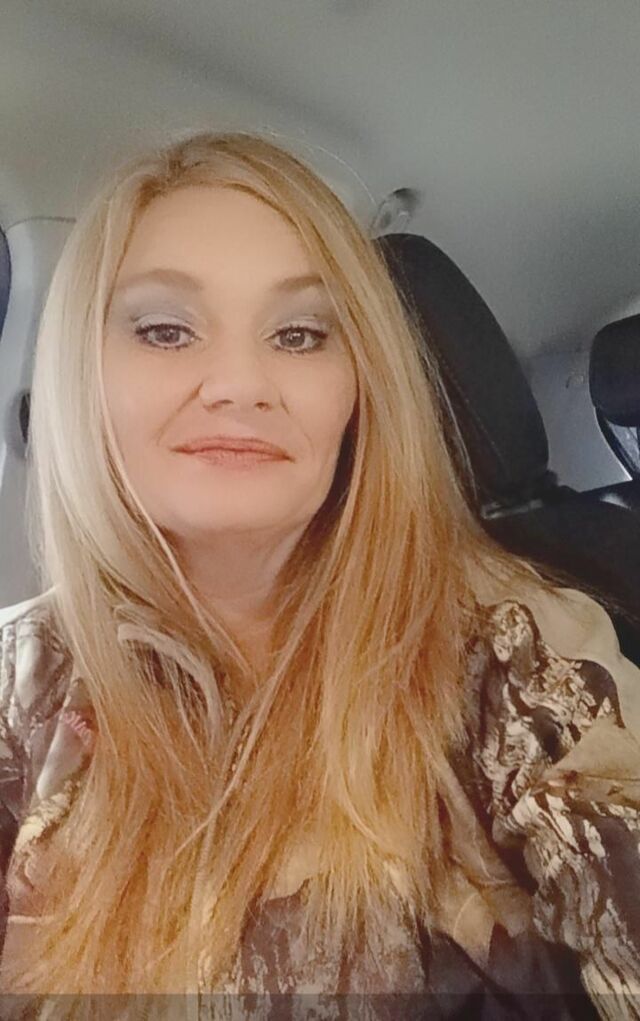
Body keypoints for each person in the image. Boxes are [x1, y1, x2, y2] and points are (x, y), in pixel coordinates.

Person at [0, 130, 638, 1021]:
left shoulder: (523, 653)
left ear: (359, 387)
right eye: (165, 330)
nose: (239, 383)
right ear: (81, 373)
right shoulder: (19, 681)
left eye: (299, 334)